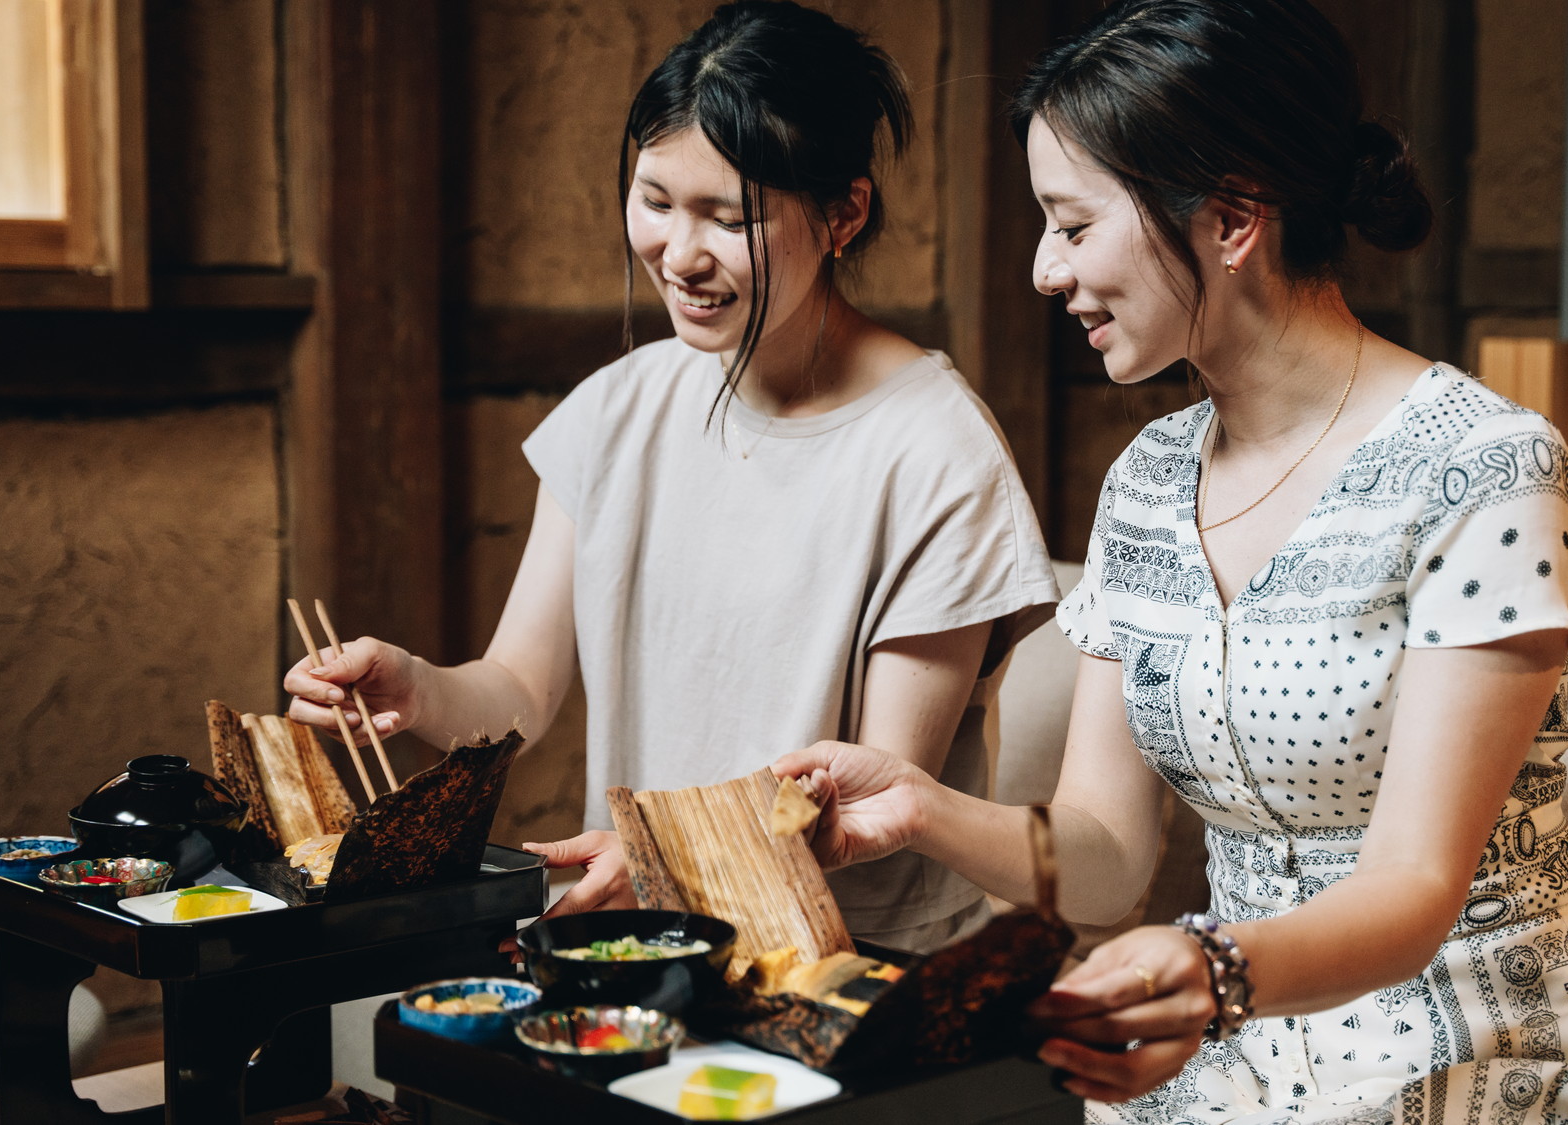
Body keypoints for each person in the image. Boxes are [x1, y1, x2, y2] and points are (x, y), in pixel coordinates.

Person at [774, 0, 1568, 1119]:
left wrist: (1209, 971)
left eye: (1070, 225)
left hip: (1484, 1039)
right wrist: (919, 807)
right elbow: (1104, 857)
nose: (1041, 272)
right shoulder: (1147, 483)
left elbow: (1411, 889)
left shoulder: (1484, 470)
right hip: (1236, 1046)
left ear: (1230, 218)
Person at [284, 0, 1057, 953]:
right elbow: (519, 687)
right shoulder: (618, 409)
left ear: (845, 212)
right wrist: (418, 688)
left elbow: (872, 794)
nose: (679, 255)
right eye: (655, 201)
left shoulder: (936, 452)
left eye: (728, 218)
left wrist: (662, 860)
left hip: (850, 965)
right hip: (651, 939)